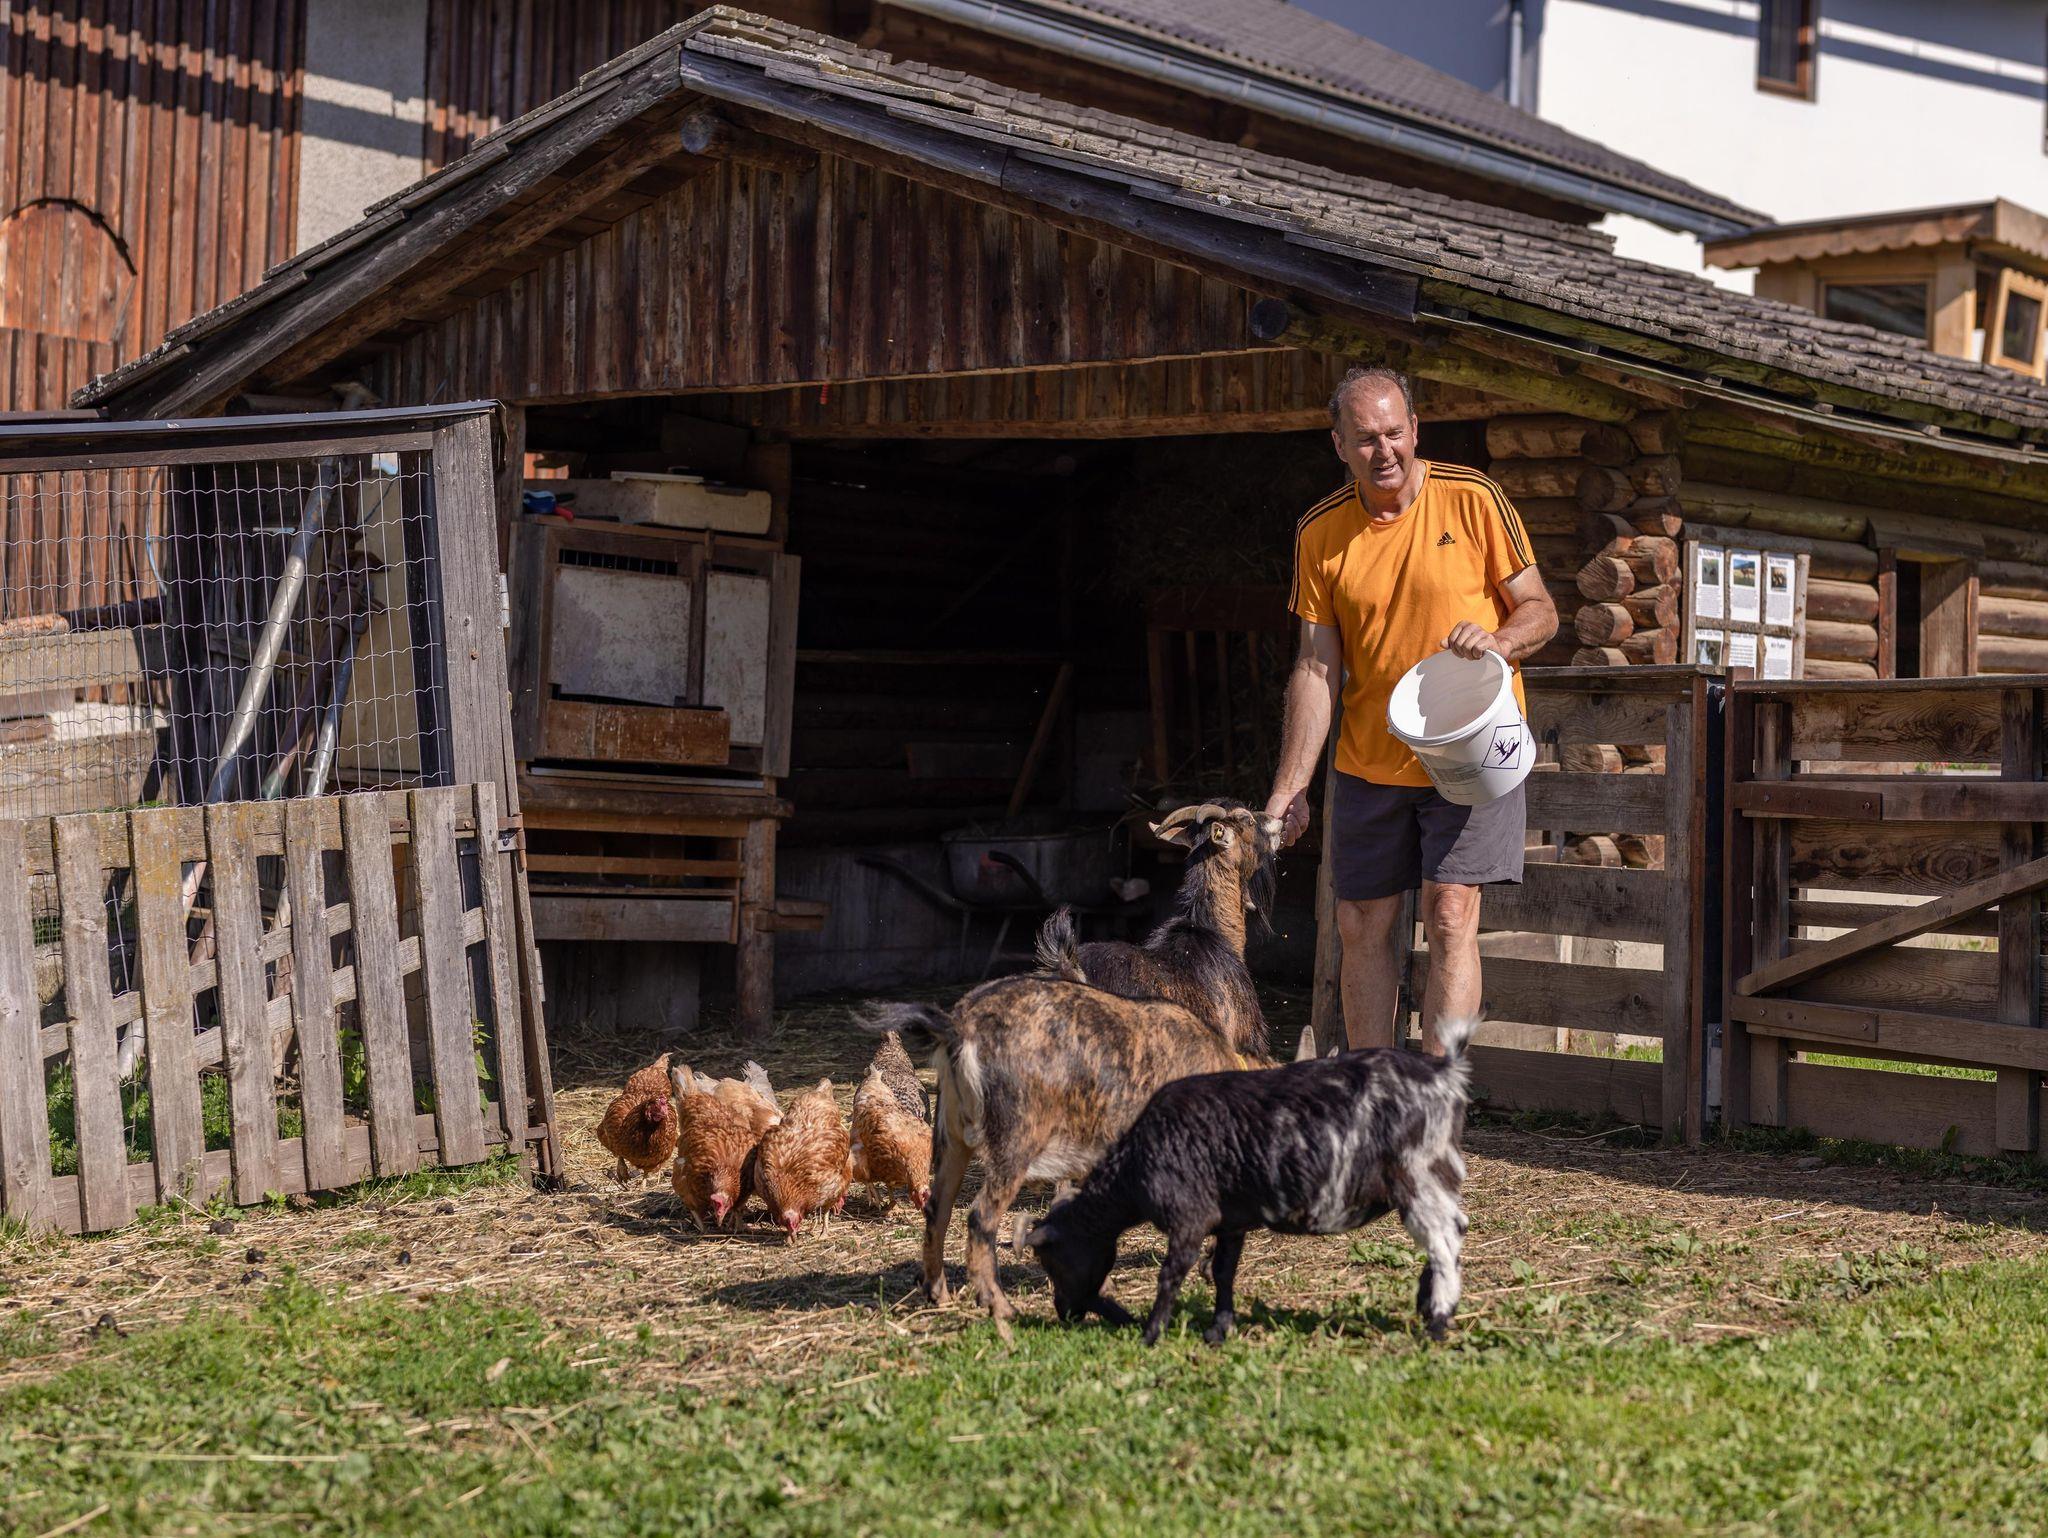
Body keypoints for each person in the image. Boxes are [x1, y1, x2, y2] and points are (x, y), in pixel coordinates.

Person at [1264, 366, 1557, 1053]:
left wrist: (1499, 641)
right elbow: (1315, 667)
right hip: (1371, 759)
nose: (1384, 450)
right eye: (1366, 438)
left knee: (1451, 914)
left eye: (1395, 433)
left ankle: (1435, 1098)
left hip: (1472, 751)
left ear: (1416, 430)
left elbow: (1541, 611)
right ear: (1339, 444)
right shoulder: (1320, 533)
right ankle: (1376, 1091)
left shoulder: (1473, 499)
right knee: (1360, 922)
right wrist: (1290, 787)